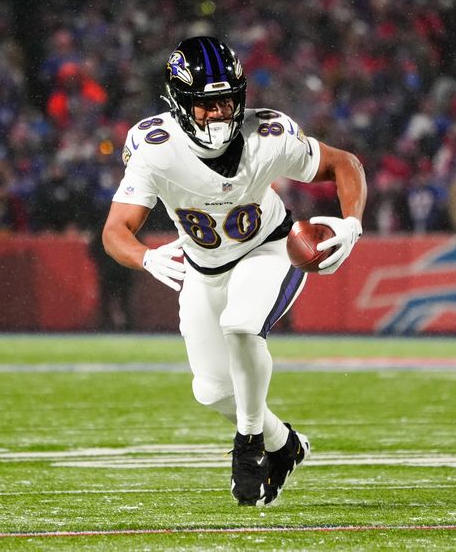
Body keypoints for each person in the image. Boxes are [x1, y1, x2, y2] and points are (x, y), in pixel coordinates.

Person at [102, 36, 367, 506]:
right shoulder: (154, 147)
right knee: (210, 390)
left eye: (227, 100)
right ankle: (283, 444)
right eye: (206, 105)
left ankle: (248, 446)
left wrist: (352, 223)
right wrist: (143, 255)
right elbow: (116, 230)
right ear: (181, 104)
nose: (219, 112)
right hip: (203, 267)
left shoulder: (269, 135)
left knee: (242, 328)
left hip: (269, 247)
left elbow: (344, 164)